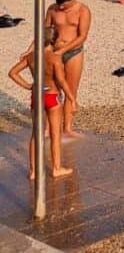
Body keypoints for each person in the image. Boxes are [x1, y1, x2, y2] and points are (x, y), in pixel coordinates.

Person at [7, 27, 76, 179]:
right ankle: (56, 168)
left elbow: (12, 73)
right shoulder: (55, 58)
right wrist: (72, 98)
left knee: (35, 134)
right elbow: (61, 81)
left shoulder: (31, 56)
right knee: (55, 133)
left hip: (36, 95)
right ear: (55, 40)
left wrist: (27, 85)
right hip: (52, 96)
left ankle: (33, 171)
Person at [44, 0, 90, 138]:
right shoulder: (52, 9)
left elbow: (82, 36)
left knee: (71, 89)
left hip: (73, 52)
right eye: (59, 4)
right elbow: (44, 32)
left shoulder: (83, 10)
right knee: (52, 89)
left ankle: (67, 127)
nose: (61, 7)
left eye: (64, 4)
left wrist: (63, 50)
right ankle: (48, 126)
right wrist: (31, 49)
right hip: (54, 51)